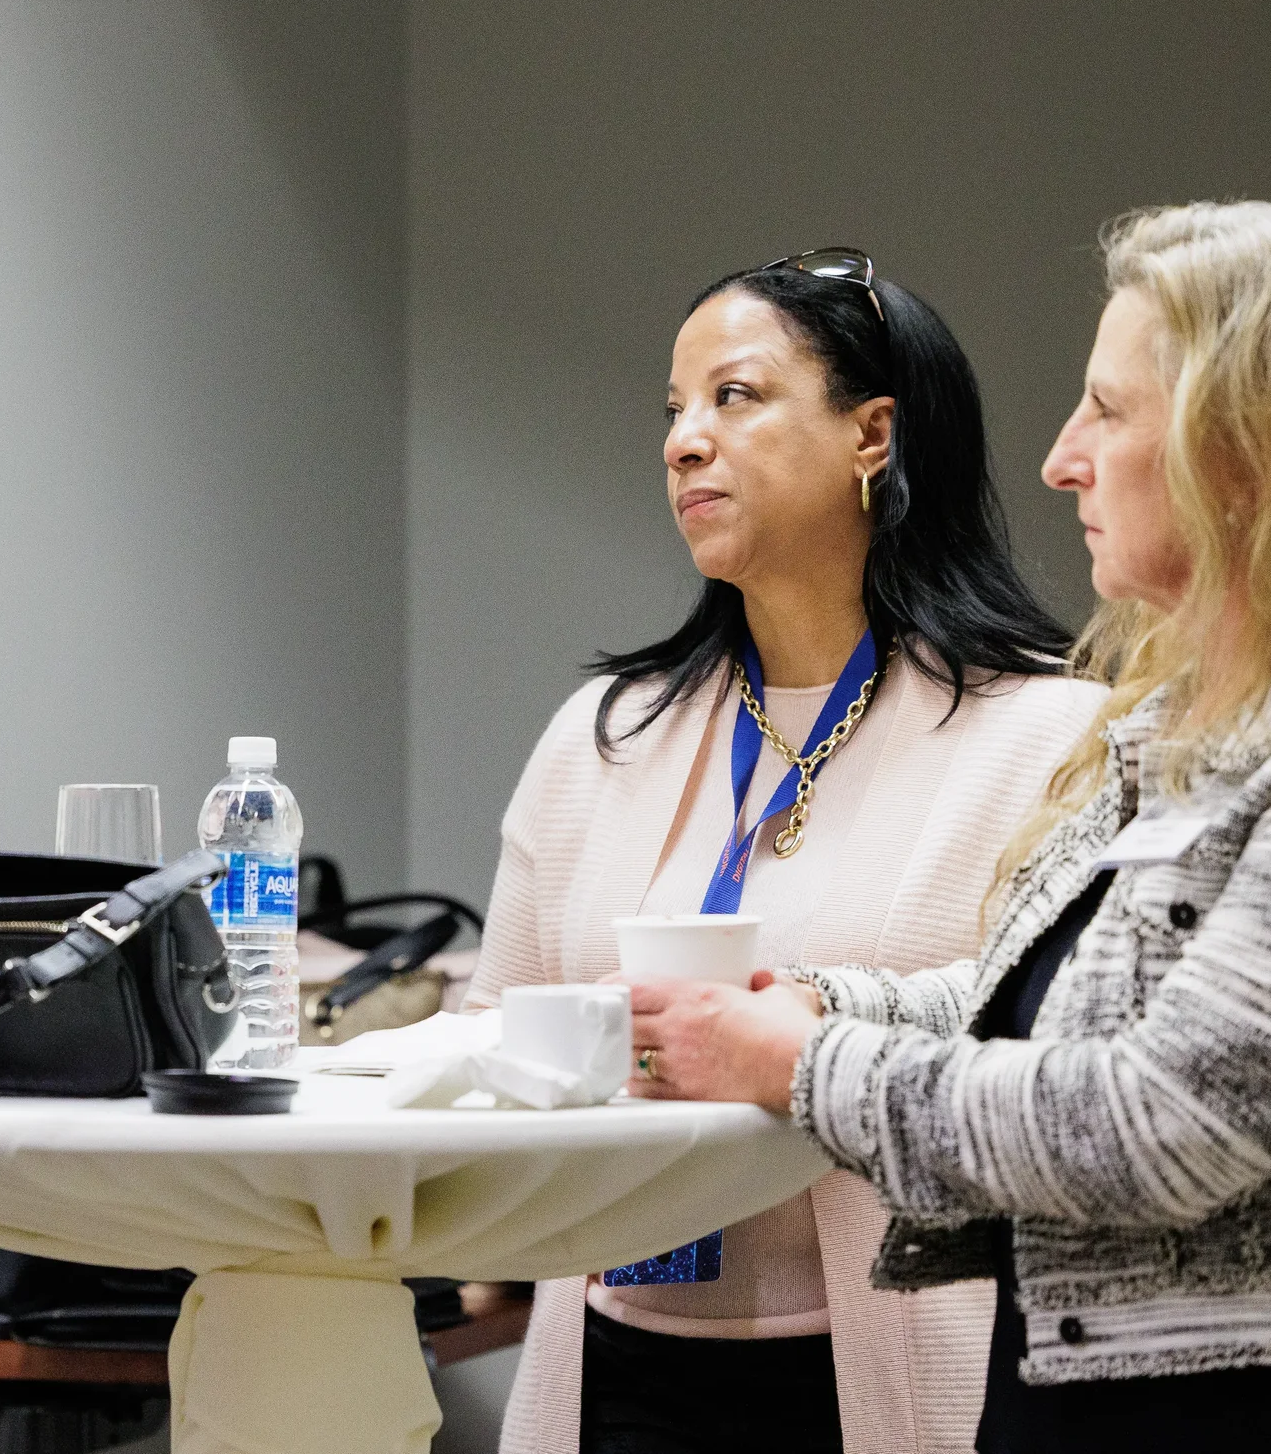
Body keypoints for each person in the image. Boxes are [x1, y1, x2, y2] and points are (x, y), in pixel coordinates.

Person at [625, 201, 1271, 1451]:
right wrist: (799, 1001)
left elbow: (1156, 1122)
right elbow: (1024, 1010)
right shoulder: (1175, 735)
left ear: (1240, 449)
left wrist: (796, 1063)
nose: (1061, 458)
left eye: (1108, 412)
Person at [465, 251, 1107, 1453]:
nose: (683, 441)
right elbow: (494, 1025)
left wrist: (800, 1022)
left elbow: (1053, 1066)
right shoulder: (603, 734)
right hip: (612, 1363)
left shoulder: (1049, 734)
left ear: (873, 434)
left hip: (882, 1368)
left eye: (735, 395)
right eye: (672, 410)